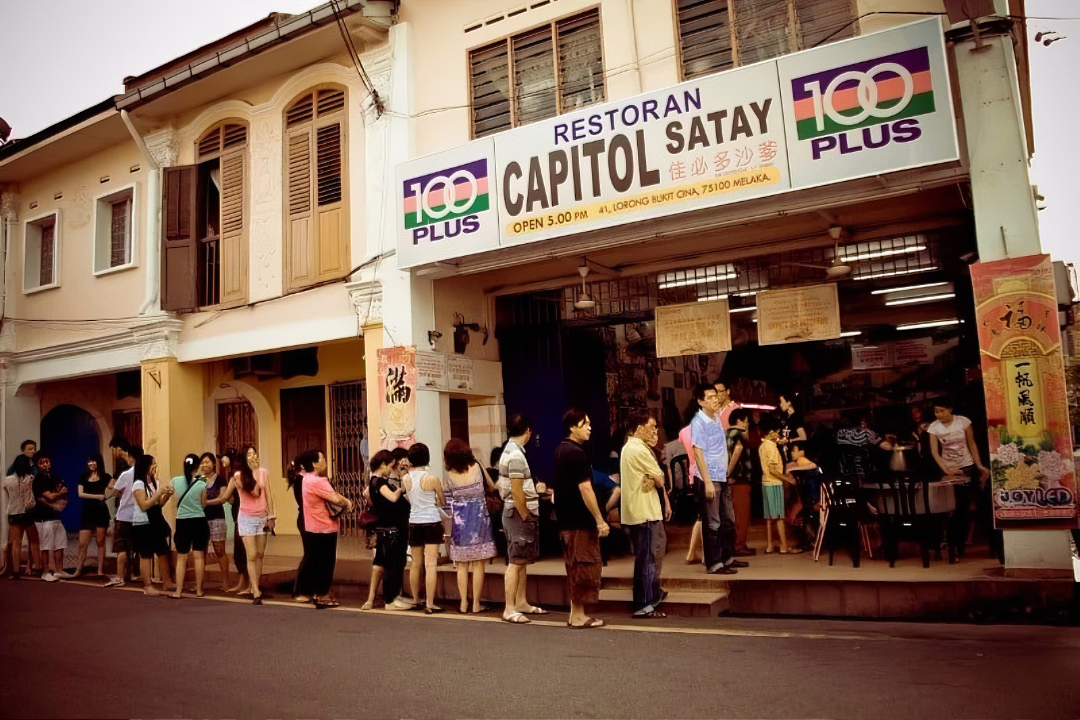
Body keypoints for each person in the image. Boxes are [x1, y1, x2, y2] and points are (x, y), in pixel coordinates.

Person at [552, 409, 610, 629]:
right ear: (572, 427)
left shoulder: (560, 450)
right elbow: (585, 488)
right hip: (579, 521)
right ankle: (577, 616)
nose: (589, 428)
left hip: (568, 520)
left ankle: (577, 613)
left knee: (575, 566)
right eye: (585, 424)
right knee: (583, 567)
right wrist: (599, 519)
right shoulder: (576, 453)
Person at [207, 445, 274, 604]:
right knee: (251, 554)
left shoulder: (263, 472)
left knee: (259, 554)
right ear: (244, 458)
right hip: (247, 518)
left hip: (262, 517)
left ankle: (254, 585)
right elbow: (250, 493)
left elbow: (268, 494)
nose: (253, 457)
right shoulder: (239, 475)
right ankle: (256, 591)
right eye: (249, 454)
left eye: (255, 453)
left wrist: (272, 516)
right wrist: (206, 502)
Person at [620, 410, 671, 619]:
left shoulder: (631, 448)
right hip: (645, 513)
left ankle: (654, 595)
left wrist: (653, 478)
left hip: (643, 511)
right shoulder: (638, 449)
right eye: (651, 427)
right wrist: (653, 478)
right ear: (639, 428)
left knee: (650, 557)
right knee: (647, 560)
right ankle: (645, 604)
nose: (654, 431)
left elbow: (658, 479)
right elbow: (660, 478)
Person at [497, 413, 548, 624]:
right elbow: (517, 490)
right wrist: (526, 514)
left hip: (512, 512)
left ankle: (521, 602)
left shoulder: (509, 451)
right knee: (516, 562)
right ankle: (510, 608)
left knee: (521, 561)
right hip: (518, 513)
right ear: (528, 431)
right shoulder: (516, 456)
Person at [927, 398, 991, 563]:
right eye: (936, 411)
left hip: (968, 465)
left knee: (975, 505)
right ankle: (955, 547)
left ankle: (989, 546)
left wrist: (979, 465)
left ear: (950, 410)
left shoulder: (962, 422)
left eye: (942, 411)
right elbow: (935, 452)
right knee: (955, 509)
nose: (939, 414)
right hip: (949, 469)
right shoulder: (934, 427)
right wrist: (946, 470)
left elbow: (972, 443)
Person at [690, 385, 741, 575]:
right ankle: (714, 563)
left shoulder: (716, 417)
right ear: (701, 401)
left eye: (715, 396)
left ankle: (727, 558)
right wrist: (708, 481)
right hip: (709, 477)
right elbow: (698, 451)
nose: (715, 399)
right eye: (710, 397)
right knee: (713, 522)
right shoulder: (699, 422)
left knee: (728, 519)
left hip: (721, 475)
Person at [443, 438, 497, 614]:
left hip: (460, 523)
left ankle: (463, 603)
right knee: (478, 565)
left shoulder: (449, 474)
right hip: (479, 519)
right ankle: (476, 604)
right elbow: (491, 485)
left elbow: (446, 500)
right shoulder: (477, 466)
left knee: (462, 565)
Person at [297, 449, 353, 609]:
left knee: (316, 562)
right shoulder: (318, 480)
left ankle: (319, 593)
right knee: (326, 563)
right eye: (323, 459)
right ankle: (321, 595)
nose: (326, 462)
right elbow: (335, 498)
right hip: (324, 528)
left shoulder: (306, 479)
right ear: (315, 464)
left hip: (312, 527)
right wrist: (348, 502)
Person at [363, 450, 413, 611]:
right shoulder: (379, 482)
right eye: (391, 465)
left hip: (386, 529)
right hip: (392, 530)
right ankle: (390, 599)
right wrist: (400, 490)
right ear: (383, 464)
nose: (392, 469)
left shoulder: (373, 482)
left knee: (389, 563)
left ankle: (392, 597)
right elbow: (392, 498)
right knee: (394, 564)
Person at [404, 443, 446, 614]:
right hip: (431, 522)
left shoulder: (405, 479)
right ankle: (430, 602)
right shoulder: (432, 479)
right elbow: (442, 500)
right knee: (430, 564)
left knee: (415, 564)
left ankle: (415, 599)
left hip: (414, 522)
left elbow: (407, 497)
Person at [130, 455, 175, 596]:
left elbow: (157, 504)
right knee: (146, 554)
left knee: (162, 551)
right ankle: (147, 585)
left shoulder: (153, 481)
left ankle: (167, 581)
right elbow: (144, 505)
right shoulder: (138, 483)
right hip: (143, 522)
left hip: (155, 520)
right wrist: (159, 493)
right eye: (152, 464)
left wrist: (166, 496)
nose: (155, 466)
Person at [172, 454, 210, 599]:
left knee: (181, 557)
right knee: (199, 556)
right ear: (197, 466)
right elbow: (203, 503)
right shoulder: (202, 482)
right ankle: (199, 590)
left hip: (182, 521)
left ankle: (178, 591)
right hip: (199, 521)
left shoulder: (175, 481)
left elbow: (173, 498)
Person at [759, 415, 798, 554]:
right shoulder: (772, 448)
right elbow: (773, 470)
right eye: (777, 431)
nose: (779, 434)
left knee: (769, 517)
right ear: (770, 432)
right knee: (779, 517)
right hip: (774, 483)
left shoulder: (763, 446)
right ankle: (784, 545)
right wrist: (787, 479)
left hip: (765, 482)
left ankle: (770, 545)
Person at [104, 444, 140, 588]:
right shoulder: (146, 474)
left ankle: (120, 576)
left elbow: (114, 491)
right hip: (139, 515)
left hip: (125, 515)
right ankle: (133, 574)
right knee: (135, 548)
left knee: (122, 547)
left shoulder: (126, 474)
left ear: (130, 457)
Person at [32, 451, 69, 581]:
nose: (46, 465)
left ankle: (59, 570)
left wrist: (58, 494)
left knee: (60, 541)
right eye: (42, 463)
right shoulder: (39, 479)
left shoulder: (53, 477)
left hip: (55, 515)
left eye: (47, 462)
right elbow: (50, 495)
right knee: (46, 544)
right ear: (37, 465)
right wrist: (58, 494)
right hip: (43, 515)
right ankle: (45, 572)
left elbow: (60, 492)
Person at [73, 454, 112, 578]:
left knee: (101, 542)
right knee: (83, 543)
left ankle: (100, 570)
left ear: (99, 462)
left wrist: (107, 496)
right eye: (89, 462)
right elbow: (80, 494)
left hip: (101, 512)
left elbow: (116, 487)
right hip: (87, 512)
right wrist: (97, 497)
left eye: (94, 461)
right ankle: (78, 569)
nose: (91, 464)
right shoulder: (83, 477)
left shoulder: (105, 477)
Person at [199, 452, 232, 591]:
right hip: (200, 519)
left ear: (213, 464)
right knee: (201, 552)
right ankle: (199, 583)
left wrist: (206, 502)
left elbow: (223, 497)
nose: (205, 465)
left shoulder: (220, 479)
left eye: (207, 462)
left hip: (217, 517)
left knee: (220, 550)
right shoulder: (198, 480)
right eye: (202, 463)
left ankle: (226, 582)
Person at [219, 449, 249, 594]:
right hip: (237, 514)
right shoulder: (230, 474)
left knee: (242, 550)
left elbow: (227, 497)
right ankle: (243, 582)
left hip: (242, 514)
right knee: (238, 550)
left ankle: (245, 582)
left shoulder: (237, 475)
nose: (222, 461)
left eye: (224, 458)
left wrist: (208, 501)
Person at [678, 404, 704, 564]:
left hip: (692, 474)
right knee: (704, 517)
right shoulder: (700, 431)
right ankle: (695, 553)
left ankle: (692, 552)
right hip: (703, 474)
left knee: (701, 515)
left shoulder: (683, 432)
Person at [4, 455, 37, 579]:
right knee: (33, 540)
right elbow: (34, 471)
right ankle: (37, 567)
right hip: (27, 511)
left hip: (13, 512)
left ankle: (16, 571)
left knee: (16, 543)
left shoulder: (7, 480)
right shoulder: (30, 478)